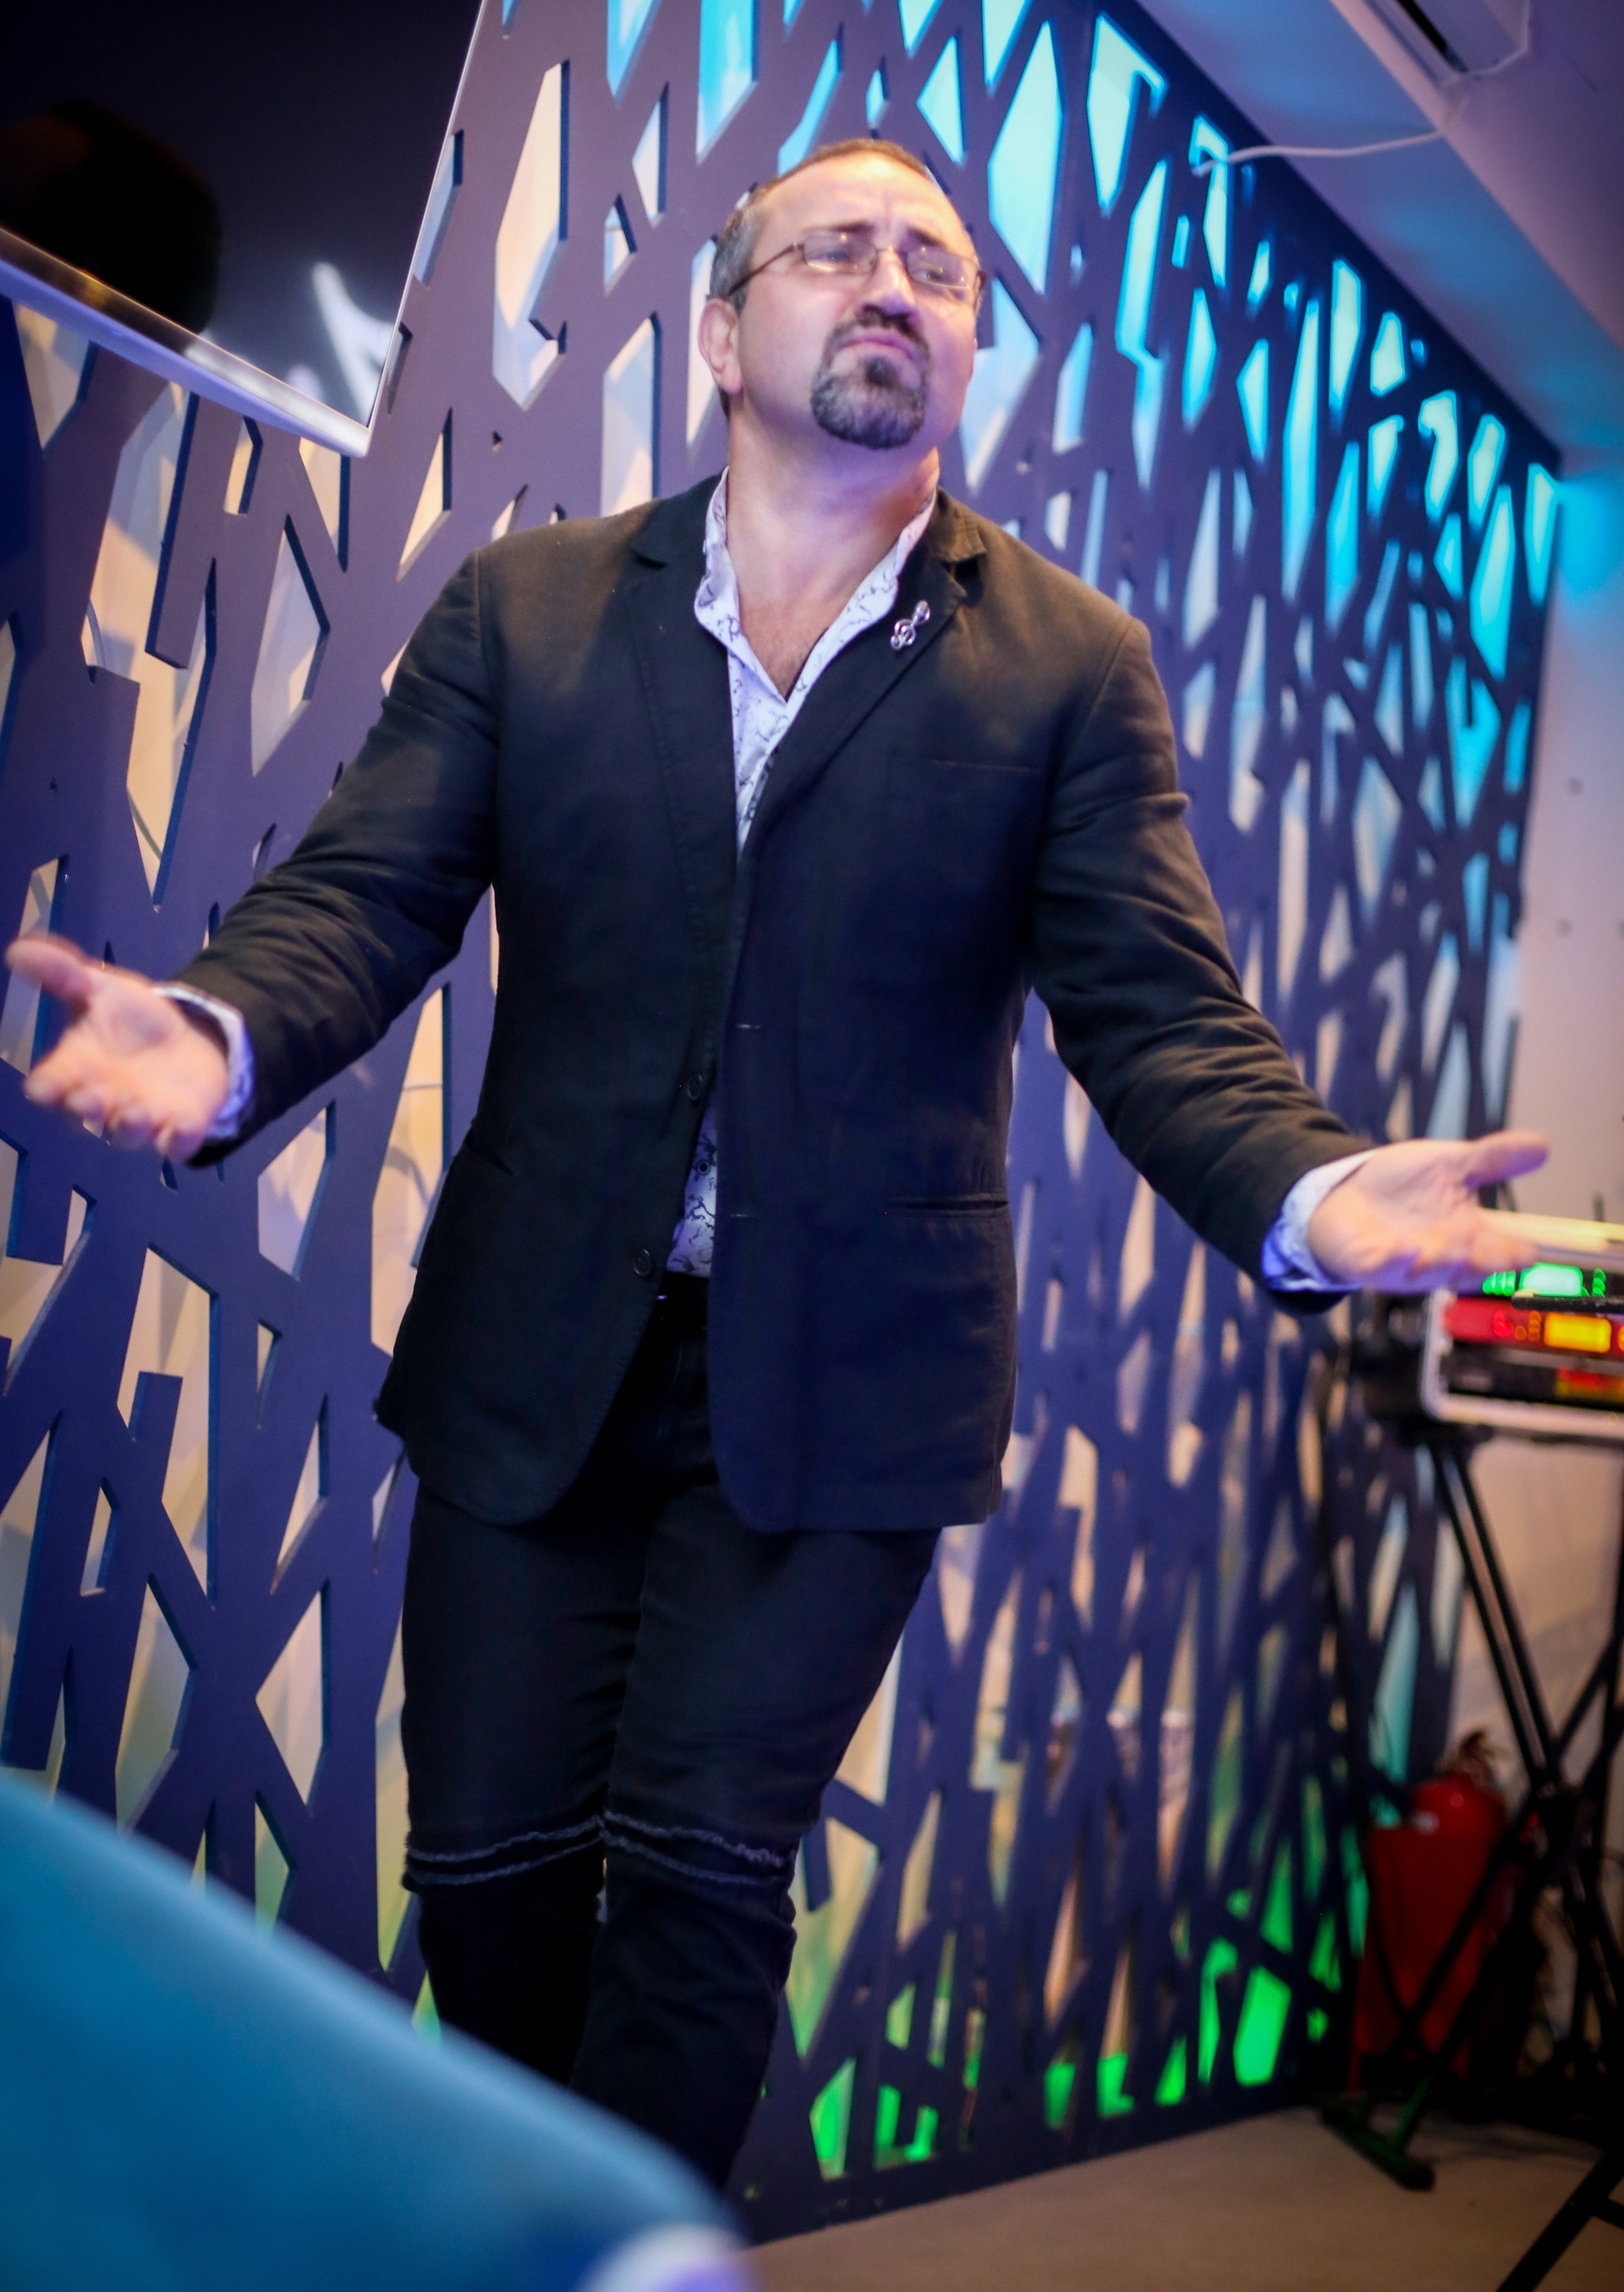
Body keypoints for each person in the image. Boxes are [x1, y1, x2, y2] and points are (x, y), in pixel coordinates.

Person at [8, 137, 1544, 2189]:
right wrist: (214, 1034)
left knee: (704, 1880)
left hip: (844, 1397)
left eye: (939, 264)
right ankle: (554, 2221)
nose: (895, 280)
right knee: (484, 1871)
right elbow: (364, 898)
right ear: (725, 336)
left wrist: (1319, 1195)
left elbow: (1160, 1016)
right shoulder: (531, 610)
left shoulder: (1070, 665)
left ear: (966, 348)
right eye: (840, 249)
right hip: (534, 1359)